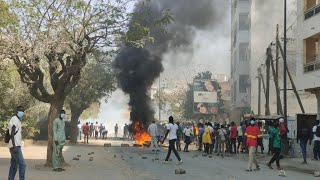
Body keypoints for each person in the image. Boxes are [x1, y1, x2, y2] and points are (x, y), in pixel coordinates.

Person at [8, 106, 26, 180]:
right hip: (15, 146)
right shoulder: (15, 119)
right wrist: (14, 146)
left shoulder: (17, 119)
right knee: (22, 165)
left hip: (13, 145)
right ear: (17, 111)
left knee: (14, 166)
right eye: (20, 111)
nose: (21, 112)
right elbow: (12, 134)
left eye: (22, 111)